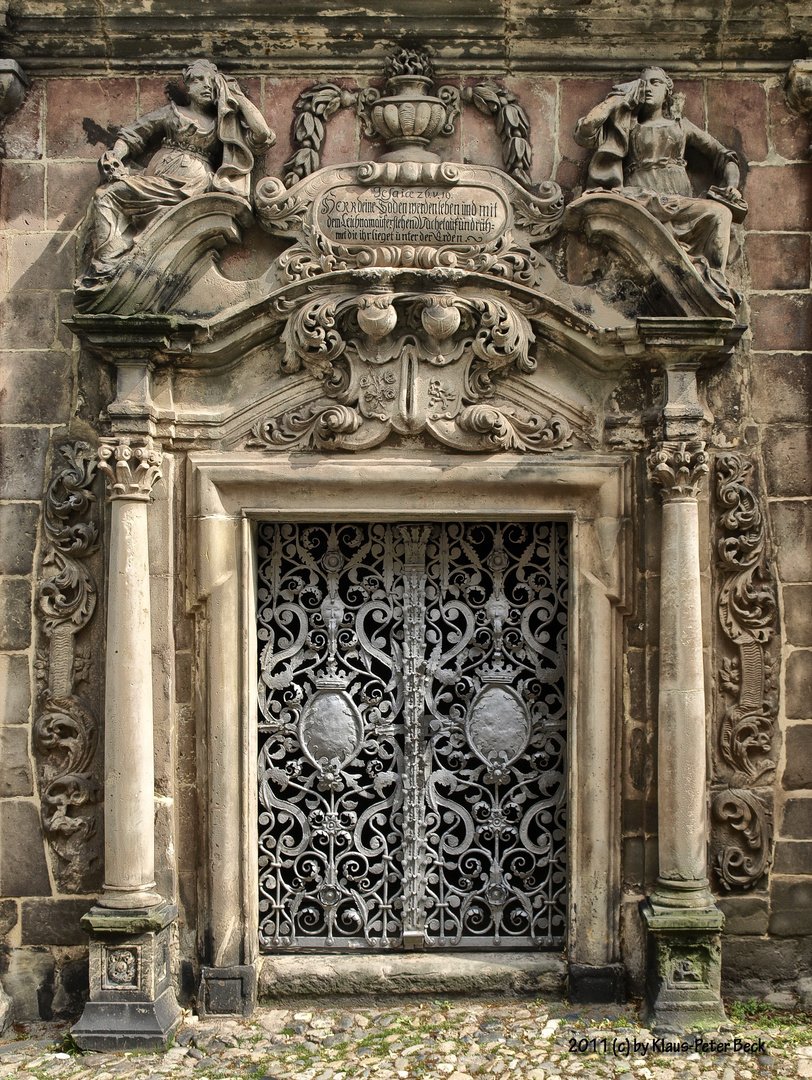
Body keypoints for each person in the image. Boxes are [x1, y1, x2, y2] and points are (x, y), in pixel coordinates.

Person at [83, 59, 274, 285]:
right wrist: (115, 155)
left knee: (108, 195)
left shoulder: (224, 123)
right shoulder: (172, 113)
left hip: (192, 183)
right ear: (187, 87)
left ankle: (108, 264)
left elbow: (262, 134)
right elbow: (134, 135)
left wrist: (236, 96)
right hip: (158, 178)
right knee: (105, 195)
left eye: (211, 82)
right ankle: (110, 261)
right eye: (198, 80)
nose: (206, 86)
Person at [574, 67, 747, 306]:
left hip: (677, 200)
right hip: (641, 197)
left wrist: (732, 185)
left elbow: (724, 155)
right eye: (643, 84)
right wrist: (619, 98)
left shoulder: (681, 126)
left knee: (721, 213)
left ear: (667, 91)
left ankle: (715, 282)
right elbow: (586, 130)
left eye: (656, 83)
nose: (648, 89)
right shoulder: (628, 126)